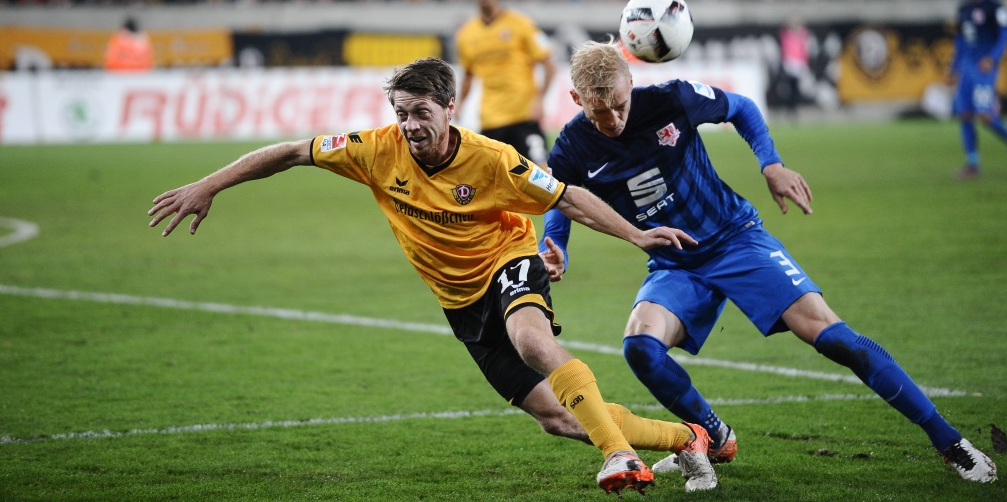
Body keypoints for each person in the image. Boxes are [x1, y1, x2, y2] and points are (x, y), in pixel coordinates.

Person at [147, 57, 717, 494]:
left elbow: (568, 198)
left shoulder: (494, 160)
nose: (411, 124)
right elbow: (294, 151)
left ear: (449, 108)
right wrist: (209, 185)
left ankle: (618, 455)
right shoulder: (374, 150)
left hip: (508, 260)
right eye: (402, 112)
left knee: (530, 338)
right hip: (458, 300)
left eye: (421, 112)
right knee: (555, 418)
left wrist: (638, 235)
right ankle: (686, 438)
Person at [538, 40, 998, 484]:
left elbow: (741, 108)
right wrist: (557, 246)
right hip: (675, 263)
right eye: (600, 111)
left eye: (620, 104)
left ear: (631, 83)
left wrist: (770, 163)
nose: (614, 118)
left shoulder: (672, 100)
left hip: (736, 240)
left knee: (835, 339)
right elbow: (562, 198)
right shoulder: (573, 146)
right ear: (577, 99)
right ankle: (714, 435)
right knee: (640, 347)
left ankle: (950, 442)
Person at [455, 0, 557, 166]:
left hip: (523, 116)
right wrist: (460, 104)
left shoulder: (521, 24)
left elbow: (549, 65)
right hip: (490, 120)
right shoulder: (466, 35)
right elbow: (468, 75)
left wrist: (539, 99)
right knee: (493, 187)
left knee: (543, 177)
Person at [948, 0, 1007, 179]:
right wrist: (953, 68)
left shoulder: (994, 6)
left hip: (984, 69)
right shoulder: (963, 8)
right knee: (965, 114)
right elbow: (960, 41)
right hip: (966, 68)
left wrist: (992, 58)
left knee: (985, 115)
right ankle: (972, 164)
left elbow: (1005, 35)